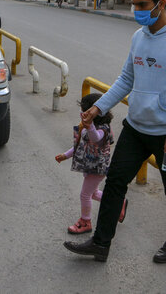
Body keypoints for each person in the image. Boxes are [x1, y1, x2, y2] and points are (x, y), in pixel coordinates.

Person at [63, 0, 166, 264]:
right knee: (115, 182)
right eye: (134, 4)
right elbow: (126, 78)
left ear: (161, 4)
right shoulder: (139, 36)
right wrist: (98, 108)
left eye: (142, 4)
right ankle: (100, 243)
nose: (136, 10)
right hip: (136, 127)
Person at [55, 93, 127, 234]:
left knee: (84, 195)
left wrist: (89, 126)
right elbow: (81, 145)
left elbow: (95, 139)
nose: (82, 114)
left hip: (98, 168)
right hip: (90, 165)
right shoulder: (90, 126)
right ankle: (119, 203)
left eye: (85, 111)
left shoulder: (102, 128)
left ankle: (85, 221)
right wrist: (65, 155)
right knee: (93, 193)